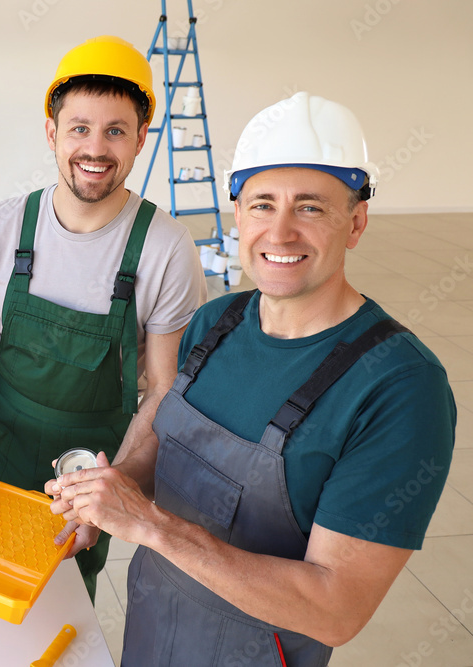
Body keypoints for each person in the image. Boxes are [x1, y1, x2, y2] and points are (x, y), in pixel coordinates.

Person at [48, 91, 456, 665]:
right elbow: (168, 441)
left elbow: (337, 608)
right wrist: (108, 493)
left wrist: (153, 527)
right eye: (262, 204)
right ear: (237, 214)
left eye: (311, 207)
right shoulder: (218, 321)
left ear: (356, 221)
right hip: (152, 625)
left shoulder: (398, 388)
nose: (281, 232)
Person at [0, 36, 207, 601]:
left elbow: (163, 390)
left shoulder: (164, 248)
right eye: (80, 127)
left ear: (140, 140)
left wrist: (118, 488)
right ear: (52, 132)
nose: (96, 147)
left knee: (60, 598)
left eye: (116, 130)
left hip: (91, 466)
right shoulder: (8, 225)